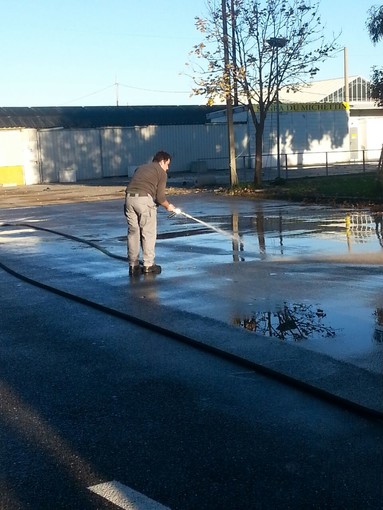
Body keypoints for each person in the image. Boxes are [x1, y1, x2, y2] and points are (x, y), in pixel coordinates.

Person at [124, 150, 176, 276]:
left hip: (129, 199)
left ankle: (133, 265)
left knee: (133, 233)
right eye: (167, 164)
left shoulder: (141, 168)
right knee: (148, 232)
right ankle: (148, 265)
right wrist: (169, 206)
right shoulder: (161, 172)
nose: (167, 168)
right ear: (162, 161)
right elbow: (160, 197)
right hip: (143, 200)